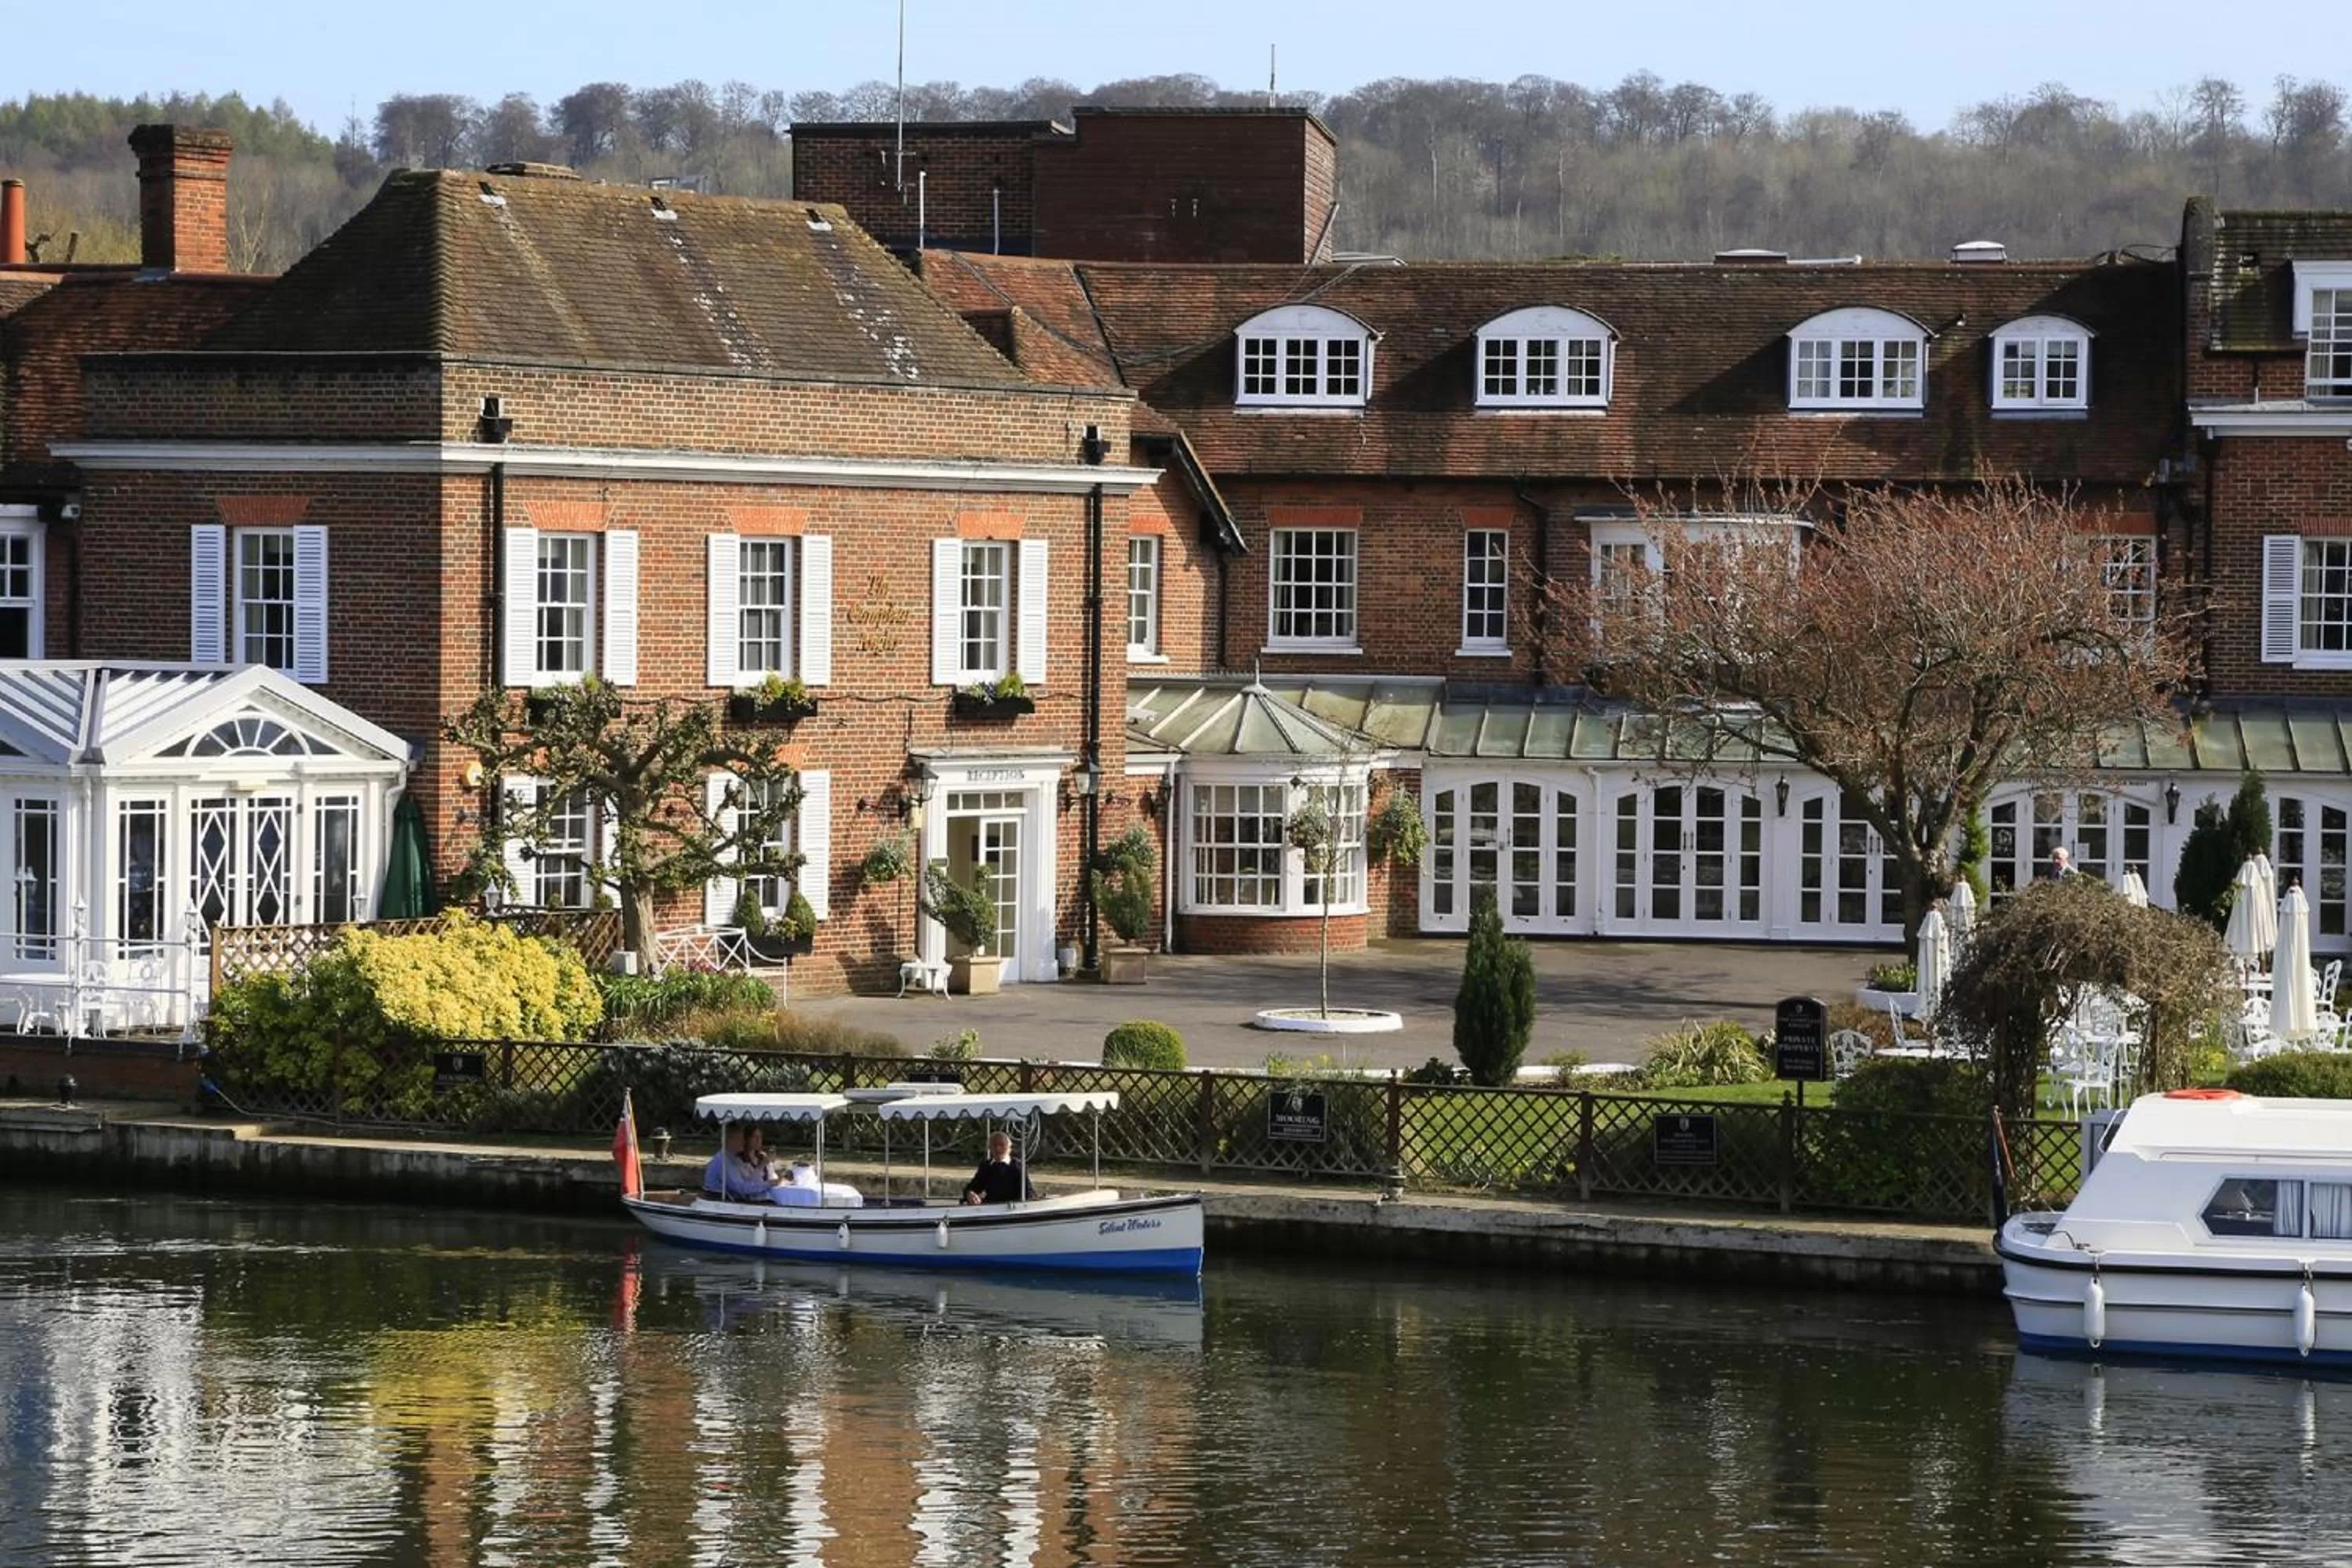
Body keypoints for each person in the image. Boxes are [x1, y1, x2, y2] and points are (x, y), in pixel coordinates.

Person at [963, 1131, 1034, 1206]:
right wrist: (970, 1194)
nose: (998, 1149)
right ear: (989, 1148)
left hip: (1011, 1208)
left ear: (1009, 1148)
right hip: (990, 1208)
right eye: (994, 1145)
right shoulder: (986, 1166)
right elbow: (973, 1187)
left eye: (1002, 1145)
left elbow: (1028, 1193)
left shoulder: (1018, 1167)